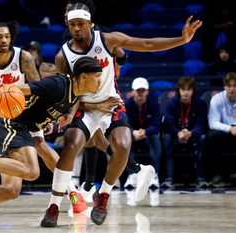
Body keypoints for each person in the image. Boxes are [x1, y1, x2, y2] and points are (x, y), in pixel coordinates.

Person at [40, 2, 202, 227]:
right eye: (72, 24)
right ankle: (54, 205)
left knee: (123, 144)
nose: (76, 28)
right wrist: (72, 112)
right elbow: (69, 94)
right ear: (68, 24)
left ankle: (103, 196)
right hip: (85, 107)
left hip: (112, 103)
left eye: (81, 24)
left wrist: (181, 40)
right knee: (70, 146)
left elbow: (146, 43)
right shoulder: (63, 56)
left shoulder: (108, 39)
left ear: (90, 24)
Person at [0, 56, 103, 231]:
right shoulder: (59, 84)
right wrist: (0, 89)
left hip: (22, 128)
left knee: (10, 190)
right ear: (83, 76)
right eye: (97, 76)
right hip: (13, 123)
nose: (100, 81)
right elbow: (25, 88)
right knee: (31, 171)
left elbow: (69, 102)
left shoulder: (74, 93)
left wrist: (59, 117)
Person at [162, 76, 209, 189]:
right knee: (166, 138)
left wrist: (190, 133)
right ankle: (168, 178)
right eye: (183, 89)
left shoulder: (200, 104)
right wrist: (178, 133)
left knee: (203, 138)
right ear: (179, 91)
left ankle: (200, 178)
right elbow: (169, 123)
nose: (185, 93)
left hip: (193, 134)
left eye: (188, 89)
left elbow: (201, 123)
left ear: (193, 91)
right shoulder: (171, 104)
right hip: (175, 134)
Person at [124, 77, 161, 189]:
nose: (140, 93)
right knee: (124, 141)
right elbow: (124, 123)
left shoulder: (154, 105)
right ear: (132, 92)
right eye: (137, 91)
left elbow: (156, 125)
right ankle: (131, 176)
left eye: (142, 91)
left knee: (156, 140)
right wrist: (133, 132)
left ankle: (154, 176)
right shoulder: (126, 105)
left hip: (148, 134)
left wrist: (145, 131)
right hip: (132, 134)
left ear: (147, 91)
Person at [207, 72, 236, 187]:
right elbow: (212, 123)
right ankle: (216, 176)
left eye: (235, 85)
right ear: (224, 86)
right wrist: (230, 128)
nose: (232, 88)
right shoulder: (217, 99)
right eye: (229, 86)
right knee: (212, 136)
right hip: (224, 132)